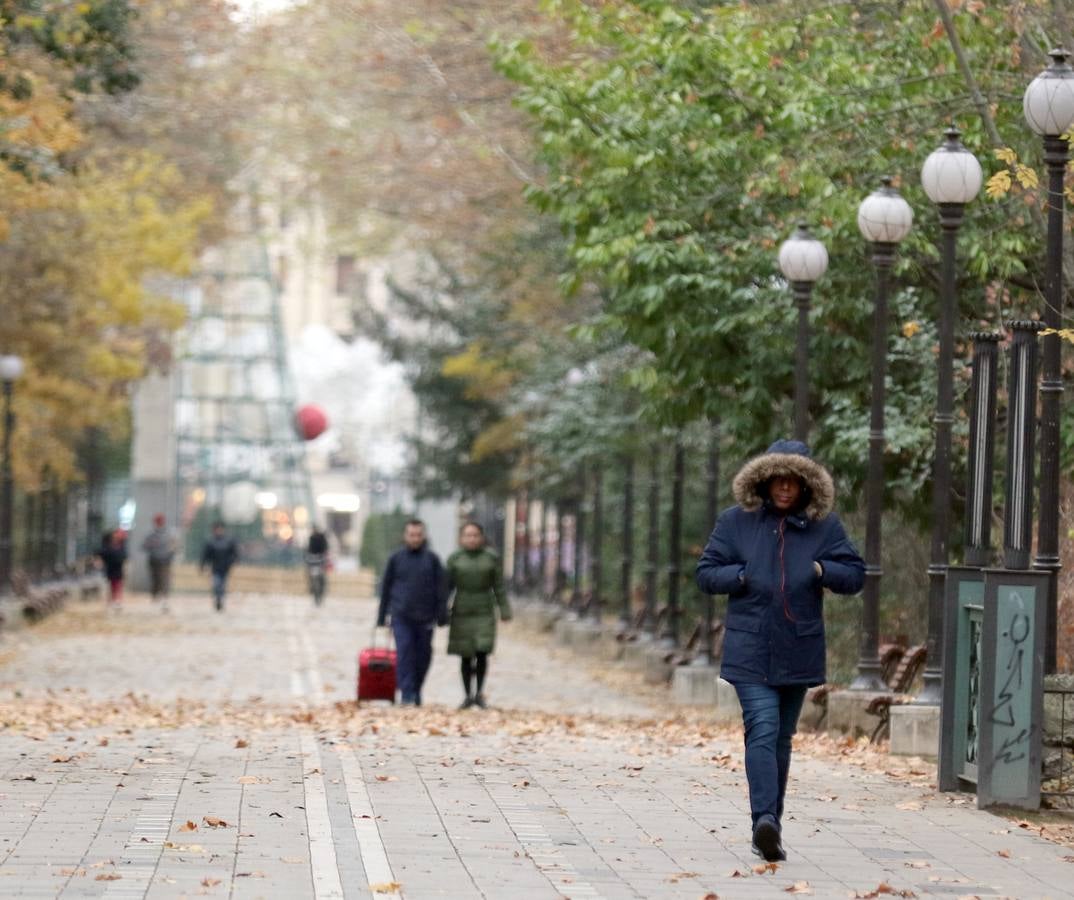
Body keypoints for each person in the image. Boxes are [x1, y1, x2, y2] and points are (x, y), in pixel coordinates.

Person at [695, 439, 864, 863]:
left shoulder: (824, 527)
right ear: (765, 481)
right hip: (749, 646)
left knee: (782, 740)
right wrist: (741, 575)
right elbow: (706, 572)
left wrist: (823, 569)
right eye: (778, 481)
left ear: (806, 485)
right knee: (763, 728)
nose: (785, 489)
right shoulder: (736, 522)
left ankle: (771, 824)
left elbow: (856, 574)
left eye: (793, 482)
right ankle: (763, 821)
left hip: (799, 646)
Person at [376, 519, 447, 706]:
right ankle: (407, 693)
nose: (415, 539)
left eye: (418, 535)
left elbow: (441, 589)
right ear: (405, 536)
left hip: (426, 617)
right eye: (411, 535)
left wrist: (442, 614)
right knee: (405, 653)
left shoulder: (432, 559)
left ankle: (416, 689)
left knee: (423, 656)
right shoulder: (396, 558)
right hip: (401, 616)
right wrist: (381, 616)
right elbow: (386, 588)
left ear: (423, 536)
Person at [446, 521, 511, 710]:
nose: (472, 539)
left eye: (475, 535)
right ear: (461, 538)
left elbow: (498, 586)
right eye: (468, 535)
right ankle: (467, 695)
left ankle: (479, 693)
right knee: (466, 654)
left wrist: (504, 609)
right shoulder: (455, 559)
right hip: (462, 609)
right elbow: (446, 586)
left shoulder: (490, 558)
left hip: (484, 608)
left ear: (481, 537)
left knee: (482, 651)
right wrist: (441, 609)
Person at [200, 521, 238, 612]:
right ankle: (217, 599)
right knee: (216, 585)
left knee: (222, 586)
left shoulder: (228, 541)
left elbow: (234, 553)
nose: (218, 531)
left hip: (225, 568)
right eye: (217, 529)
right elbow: (205, 555)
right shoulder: (210, 542)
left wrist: (232, 562)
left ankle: (220, 600)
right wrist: (202, 565)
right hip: (215, 568)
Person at [142, 514, 176, 611]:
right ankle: (155, 594)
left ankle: (165, 599)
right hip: (154, 560)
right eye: (157, 521)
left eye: (160, 521)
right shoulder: (150, 534)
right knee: (155, 579)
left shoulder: (169, 533)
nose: (159, 523)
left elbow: (174, 546)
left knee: (165, 580)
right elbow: (144, 546)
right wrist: (150, 545)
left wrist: (171, 553)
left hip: (165, 560)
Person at [98, 529, 128, 609]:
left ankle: (117, 600)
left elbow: (124, 556)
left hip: (118, 567)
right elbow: (102, 553)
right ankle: (111, 600)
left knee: (118, 584)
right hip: (110, 567)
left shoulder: (122, 545)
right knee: (111, 585)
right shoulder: (107, 544)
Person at [306, 526, 330, 606]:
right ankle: (315, 592)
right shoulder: (314, 538)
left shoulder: (316, 538)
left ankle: (318, 593)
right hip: (316, 561)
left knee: (319, 579)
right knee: (315, 579)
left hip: (317, 561)